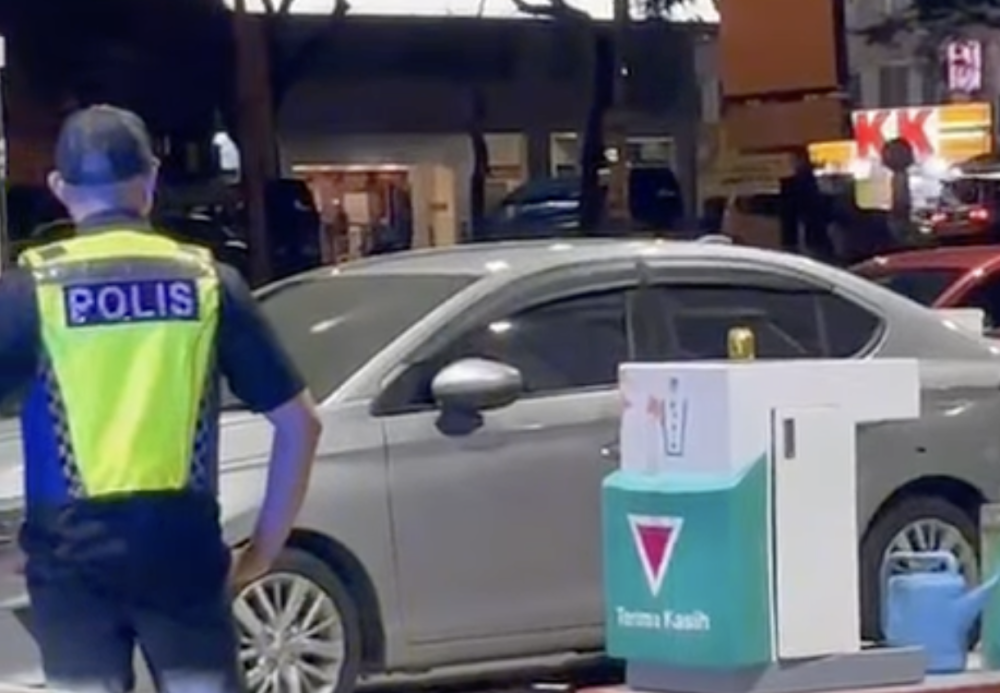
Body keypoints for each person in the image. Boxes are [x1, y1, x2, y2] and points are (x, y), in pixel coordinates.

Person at [0, 105, 322, 693]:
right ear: (150, 179)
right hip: (185, 561)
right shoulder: (208, 282)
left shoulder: (28, 291)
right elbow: (301, 426)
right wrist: (262, 552)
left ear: (59, 188)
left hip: (69, 568)